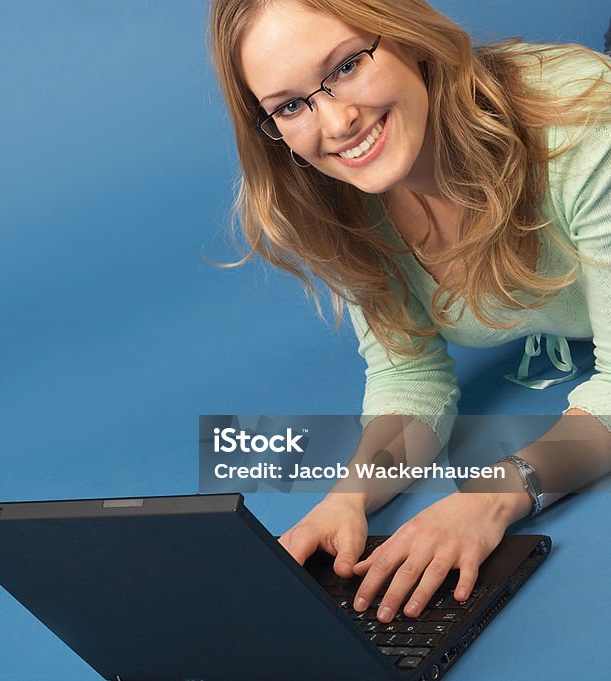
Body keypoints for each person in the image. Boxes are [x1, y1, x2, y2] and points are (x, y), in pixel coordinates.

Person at [209, 0, 611, 624]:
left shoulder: (582, 124)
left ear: (408, 36)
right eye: (290, 105)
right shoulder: (344, 204)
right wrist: (349, 497)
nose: (336, 122)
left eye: (346, 65)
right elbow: (411, 378)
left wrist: (493, 497)